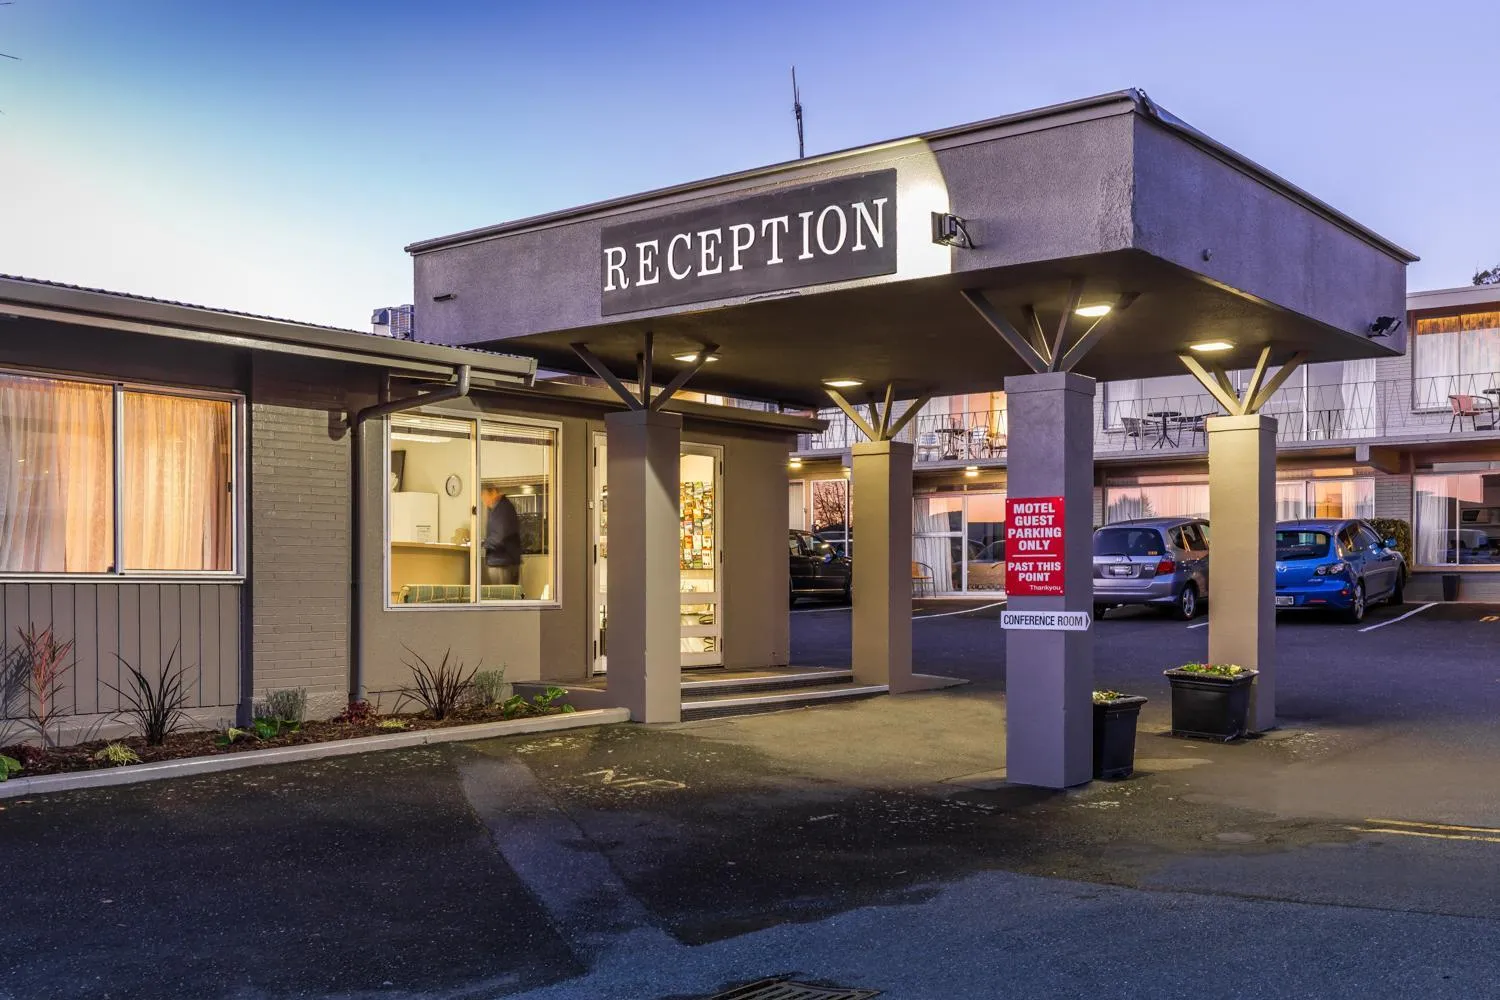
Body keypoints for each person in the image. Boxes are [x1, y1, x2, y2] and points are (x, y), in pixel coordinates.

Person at [480, 484, 522, 587]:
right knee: (505, 597)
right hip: (503, 561)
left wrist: (483, 543)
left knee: (503, 598)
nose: (485, 502)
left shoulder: (502, 509)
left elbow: (499, 538)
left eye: (485, 498)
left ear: (493, 492)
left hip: (502, 563)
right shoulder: (499, 508)